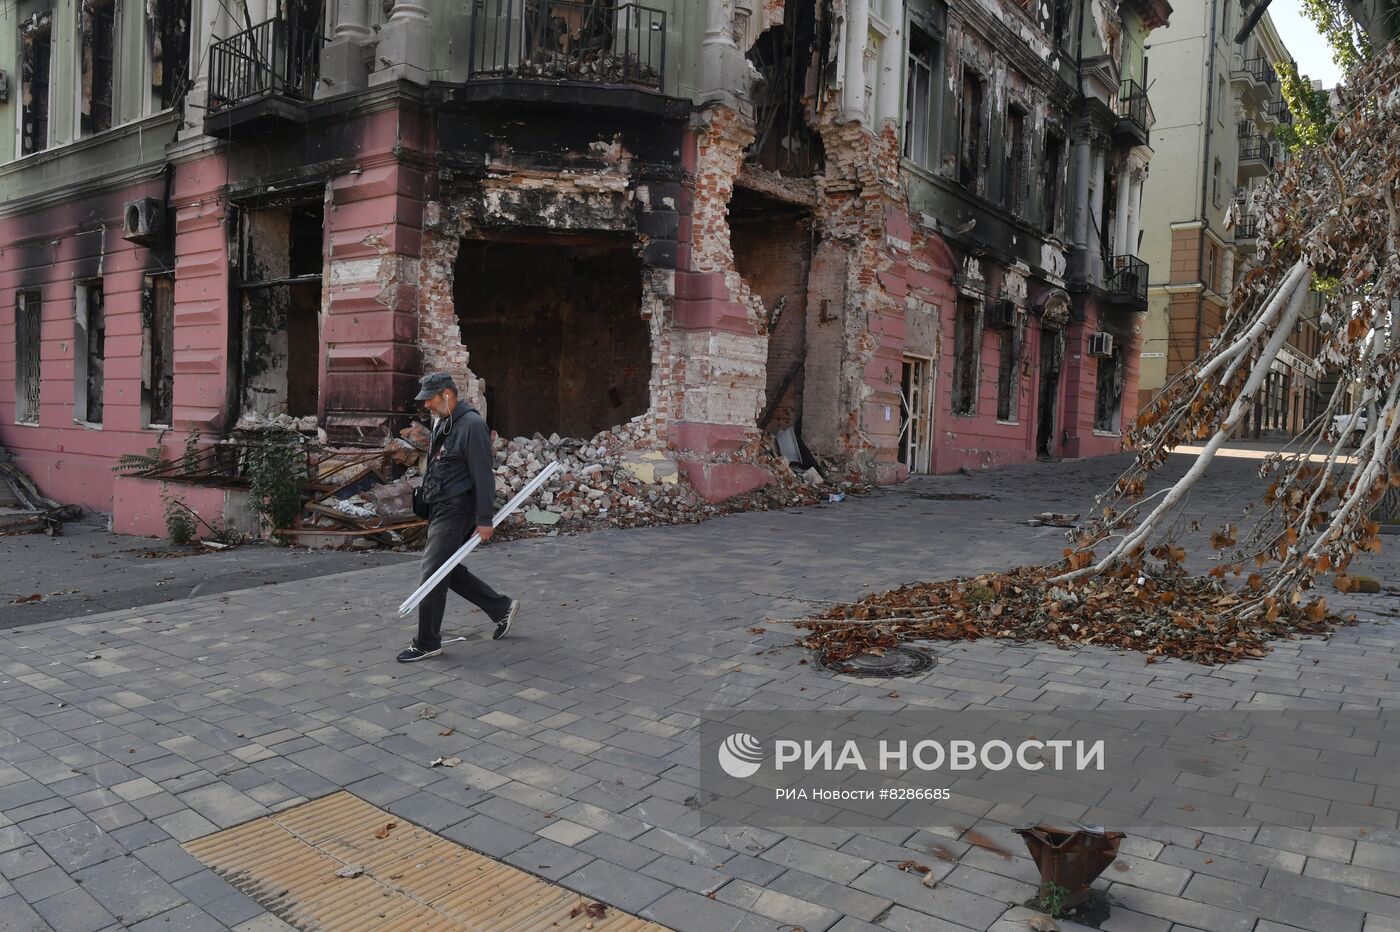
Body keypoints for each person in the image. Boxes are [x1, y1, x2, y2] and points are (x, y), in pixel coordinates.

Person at [397, 372, 519, 663]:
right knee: (445, 569)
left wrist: (485, 520)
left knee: (432, 573)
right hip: (441, 508)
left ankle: (427, 642)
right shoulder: (447, 422)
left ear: (447, 394)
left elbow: (483, 476)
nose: (426, 405)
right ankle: (500, 608)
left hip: (456, 510)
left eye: (430, 398)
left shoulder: (472, 426)